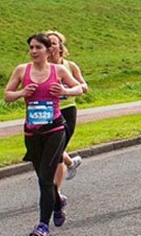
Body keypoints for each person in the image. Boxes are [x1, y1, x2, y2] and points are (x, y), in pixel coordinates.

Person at [4, 33, 83, 236]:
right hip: (32, 131)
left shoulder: (58, 70)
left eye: (38, 47)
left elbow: (79, 88)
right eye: (31, 47)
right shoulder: (22, 70)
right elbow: (7, 95)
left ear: (48, 51)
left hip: (54, 129)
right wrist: (21, 93)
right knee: (43, 177)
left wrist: (65, 91)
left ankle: (42, 225)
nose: (33, 51)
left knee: (45, 178)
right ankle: (57, 203)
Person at [45, 31, 87, 209]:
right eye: (47, 44)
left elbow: (83, 86)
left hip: (67, 110)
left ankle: (56, 193)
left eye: (54, 43)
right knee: (49, 148)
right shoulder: (41, 68)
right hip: (47, 111)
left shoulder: (69, 66)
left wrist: (66, 90)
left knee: (56, 152)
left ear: (60, 47)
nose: (51, 47)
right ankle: (71, 162)